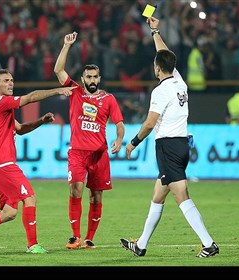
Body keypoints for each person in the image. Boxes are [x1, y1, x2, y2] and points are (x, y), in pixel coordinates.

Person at [119, 16, 219, 258]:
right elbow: (165, 55)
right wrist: (155, 32)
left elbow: (150, 123)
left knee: (181, 196)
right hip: (182, 143)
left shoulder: (160, 91)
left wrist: (133, 142)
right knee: (158, 195)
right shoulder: (179, 81)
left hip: (168, 147)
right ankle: (141, 245)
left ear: (156, 68)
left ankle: (209, 244)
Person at [0, 69, 75, 254]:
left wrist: (40, 121)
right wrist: (57, 91)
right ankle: (33, 245)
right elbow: (30, 98)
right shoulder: (1, 102)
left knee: (9, 212)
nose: (10, 83)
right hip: (4, 164)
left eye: (12, 80)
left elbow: (19, 129)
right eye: (5, 81)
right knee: (30, 198)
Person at [54, 32, 125, 249]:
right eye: (89, 77)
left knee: (96, 196)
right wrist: (66, 45)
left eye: (95, 77)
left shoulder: (109, 99)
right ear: (83, 79)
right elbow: (58, 70)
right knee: (76, 188)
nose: (92, 80)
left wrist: (119, 139)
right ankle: (75, 237)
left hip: (99, 154)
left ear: (99, 79)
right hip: (77, 152)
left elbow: (119, 124)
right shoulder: (75, 92)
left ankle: (89, 238)